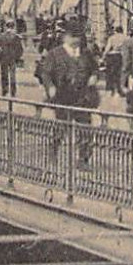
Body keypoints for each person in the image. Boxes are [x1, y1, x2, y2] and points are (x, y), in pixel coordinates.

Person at [40, 14, 100, 165]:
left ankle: (83, 159)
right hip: (63, 97)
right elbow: (45, 73)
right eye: (73, 37)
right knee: (60, 127)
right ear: (65, 37)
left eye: (78, 38)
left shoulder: (86, 54)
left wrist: (94, 77)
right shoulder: (55, 54)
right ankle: (53, 154)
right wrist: (50, 87)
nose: (76, 41)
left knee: (85, 129)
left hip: (82, 97)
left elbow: (95, 69)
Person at [0, 23, 24, 98]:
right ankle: (13, 92)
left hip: (4, 58)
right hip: (12, 58)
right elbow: (20, 49)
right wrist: (17, 57)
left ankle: (5, 90)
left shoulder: (2, 36)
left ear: (6, 27)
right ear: (13, 27)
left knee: (4, 74)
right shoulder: (16, 37)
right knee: (13, 75)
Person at [102, 25, 128, 97]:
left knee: (111, 74)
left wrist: (103, 57)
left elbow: (107, 48)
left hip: (112, 56)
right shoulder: (126, 38)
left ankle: (111, 90)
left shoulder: (112, 38)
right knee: (120, 74)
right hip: (121, 56)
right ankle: (120, 90)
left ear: (115, 31)